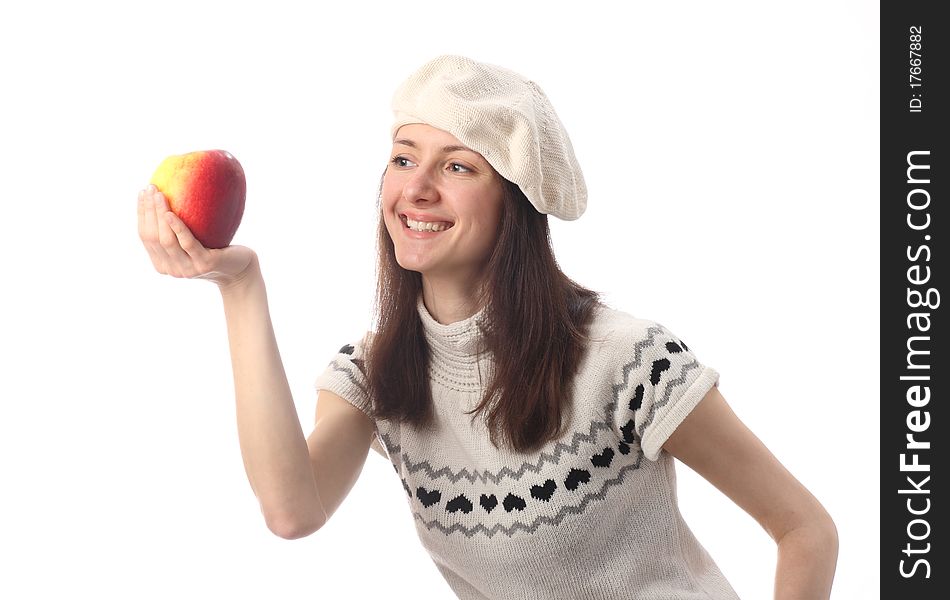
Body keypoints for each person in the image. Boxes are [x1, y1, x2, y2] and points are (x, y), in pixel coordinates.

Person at [138, 55, 838, 599]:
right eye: (405, 157)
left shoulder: (625, 361)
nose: (416, 188)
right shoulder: (377, 376)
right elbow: (293, 511)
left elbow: (804, 529)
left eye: (457, 167)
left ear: (515, 201)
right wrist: (240, 286)